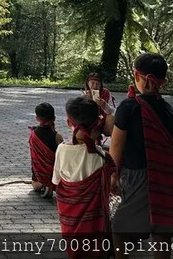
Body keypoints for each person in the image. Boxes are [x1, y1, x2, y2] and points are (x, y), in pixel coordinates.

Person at [110, 54, 173, 259]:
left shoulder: (129, 107)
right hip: (166, 177)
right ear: (163, 81)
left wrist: (113, 174)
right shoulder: (171, 113)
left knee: (119, 228)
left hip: (137, 175)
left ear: (136, 75)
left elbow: (116, 144)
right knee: (161, 231)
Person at [53, 96, 114, 259]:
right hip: (94, 221)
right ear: (98, 123)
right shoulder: (102, 157)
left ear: (68, 122)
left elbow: (56, 181)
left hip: (69, 216)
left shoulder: (61, 150)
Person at [29, 102, 63, 198]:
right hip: (55, 175)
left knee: (35, 185)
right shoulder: (58, 137)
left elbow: (34, 159)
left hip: (38, 175)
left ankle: (43, 183)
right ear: (54, 118)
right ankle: (49, 183)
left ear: (37, 118)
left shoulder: (33, 134)